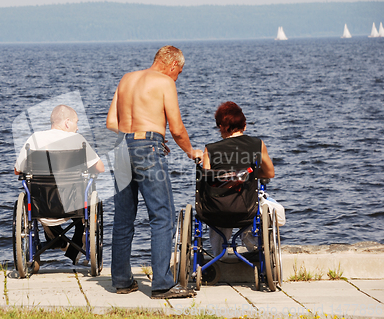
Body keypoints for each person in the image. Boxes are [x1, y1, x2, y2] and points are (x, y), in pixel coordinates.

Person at [106, 45, 203, 299]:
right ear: (172, 65)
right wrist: (191, 151)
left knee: (123, 218)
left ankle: (122, 281)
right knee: (162, 216)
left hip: (121, 146)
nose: (177, 78)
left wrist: (138, 137)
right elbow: (177, 128)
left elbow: (111, 123)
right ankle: (162, 284)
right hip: (147, 147)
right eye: (179, 72)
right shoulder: (164, 82)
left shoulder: (126, 79)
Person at [14, 104, 104, 264]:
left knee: (35, 191)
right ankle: (76, 246)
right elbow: (100, 168)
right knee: (89, 189)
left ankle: (59, 242)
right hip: (73, 205)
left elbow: (17, 170)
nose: (77, 127)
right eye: (76, 122)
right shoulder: (78, 139)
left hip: (42, 206)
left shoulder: (34, 139)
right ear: (67, 122)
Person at [202, 101, 275, 255]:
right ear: (245, 125)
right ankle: (253, 246)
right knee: (253, 200)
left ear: (221, 126)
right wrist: (251, 174)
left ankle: (218, 254)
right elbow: (269, 173)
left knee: (219, 199)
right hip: (246, 208)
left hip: (217, 210)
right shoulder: (257, 144)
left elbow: (207, 180)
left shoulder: (210, 149)